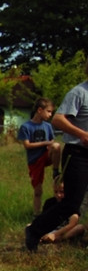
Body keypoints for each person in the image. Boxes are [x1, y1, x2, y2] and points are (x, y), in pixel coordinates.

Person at [26, 64, 88, 252]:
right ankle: (35, 231)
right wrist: (83, 134)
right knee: (71, 205)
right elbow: (58, 119)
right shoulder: (79, 93)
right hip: (79, 154)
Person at [17, 98, 61, 215]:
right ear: (40, 110)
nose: (50, 114)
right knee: (38, 191)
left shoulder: (48, 126)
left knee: (56, 146)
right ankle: (36, 214)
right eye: (49, 111)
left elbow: (52, 141)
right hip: (34, 160)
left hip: (46, 155)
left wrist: (50, 145)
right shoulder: (26, 127)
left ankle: (56, 171)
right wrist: (45, 143)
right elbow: (27, 145)